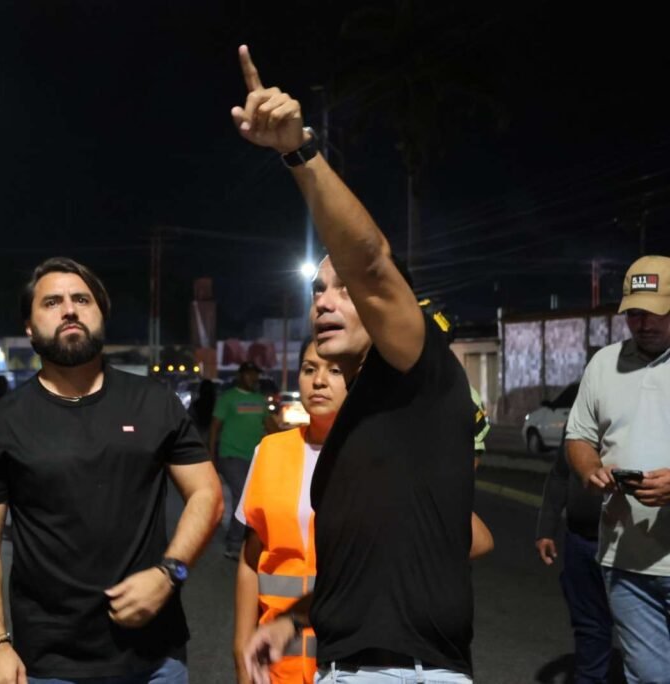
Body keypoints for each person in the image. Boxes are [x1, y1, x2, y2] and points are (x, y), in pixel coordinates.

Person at [232, 46, 477, 683]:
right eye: (317, 290)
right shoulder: (358, 416)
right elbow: (369, 570)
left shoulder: (420, 370)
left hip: (408, 675)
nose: (325, 302)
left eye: (342, 289)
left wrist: (299, 152)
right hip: (346, 668)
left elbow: (369, 259)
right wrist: (294, 618)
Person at [0, 257, 223, 683]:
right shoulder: (1, 423)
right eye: (52, 302)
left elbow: (207, 495)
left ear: (101, 315)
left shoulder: (154, 403)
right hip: (48, 664)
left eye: (81, 299)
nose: (69, 309)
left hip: (156, 659)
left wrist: (169, 574)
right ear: (28, 327)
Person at [566, 255, 670, 684]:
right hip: (625, 563)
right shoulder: (603, 364)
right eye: (634, 313)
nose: (643, 323)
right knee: (647, 678)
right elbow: (579, 437)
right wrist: (590, 468)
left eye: (655, 312)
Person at [234, 341, 347, 684]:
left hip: (350, 665)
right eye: (309, 369)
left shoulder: (377, 456)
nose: (319, 380)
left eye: (336, 370)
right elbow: (251, 557)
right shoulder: (270, 451)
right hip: (278, 664)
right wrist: (241, 651)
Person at [536, 433, 615, 684]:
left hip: (630, 546)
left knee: (644, 633)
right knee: (590, 627)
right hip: (581, 541)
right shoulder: (580, 417)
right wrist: (546, 529)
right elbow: (560, 474)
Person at [211, 361, 277, 559]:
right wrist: (211, 456)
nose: (253, 378)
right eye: (249, 374)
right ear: (240, 375)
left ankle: (253, 540)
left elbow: (271, 426)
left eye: (255, 374)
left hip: (255, 457)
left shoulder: (259, 400)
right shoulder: (228, 398)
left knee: (258, 499)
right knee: (243, 495)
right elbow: (215, 428)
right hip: (231, 455)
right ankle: (234, 544)